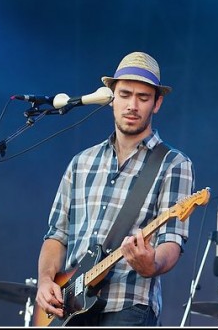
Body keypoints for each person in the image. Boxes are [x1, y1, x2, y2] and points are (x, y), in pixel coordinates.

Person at [35, 51, 195, 326]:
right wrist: (46, 281)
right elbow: (57, 235)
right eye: (125, 94)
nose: (132, 105)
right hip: (70, 306)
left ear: (157, 103)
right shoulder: (81, 162)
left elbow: (172, 240)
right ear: (111, 97)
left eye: (143, 97)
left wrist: (152, 264)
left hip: (129, 305)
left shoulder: (173, 164)